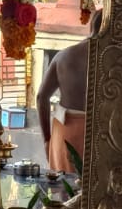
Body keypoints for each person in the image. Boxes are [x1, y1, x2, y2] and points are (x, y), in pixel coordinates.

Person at [37, 39, 89, 173]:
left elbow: (41, 97)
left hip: (65, 132)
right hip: (101, 133)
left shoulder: (63, 56)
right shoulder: (113, 58)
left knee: (64, 188)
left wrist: (46, 140)